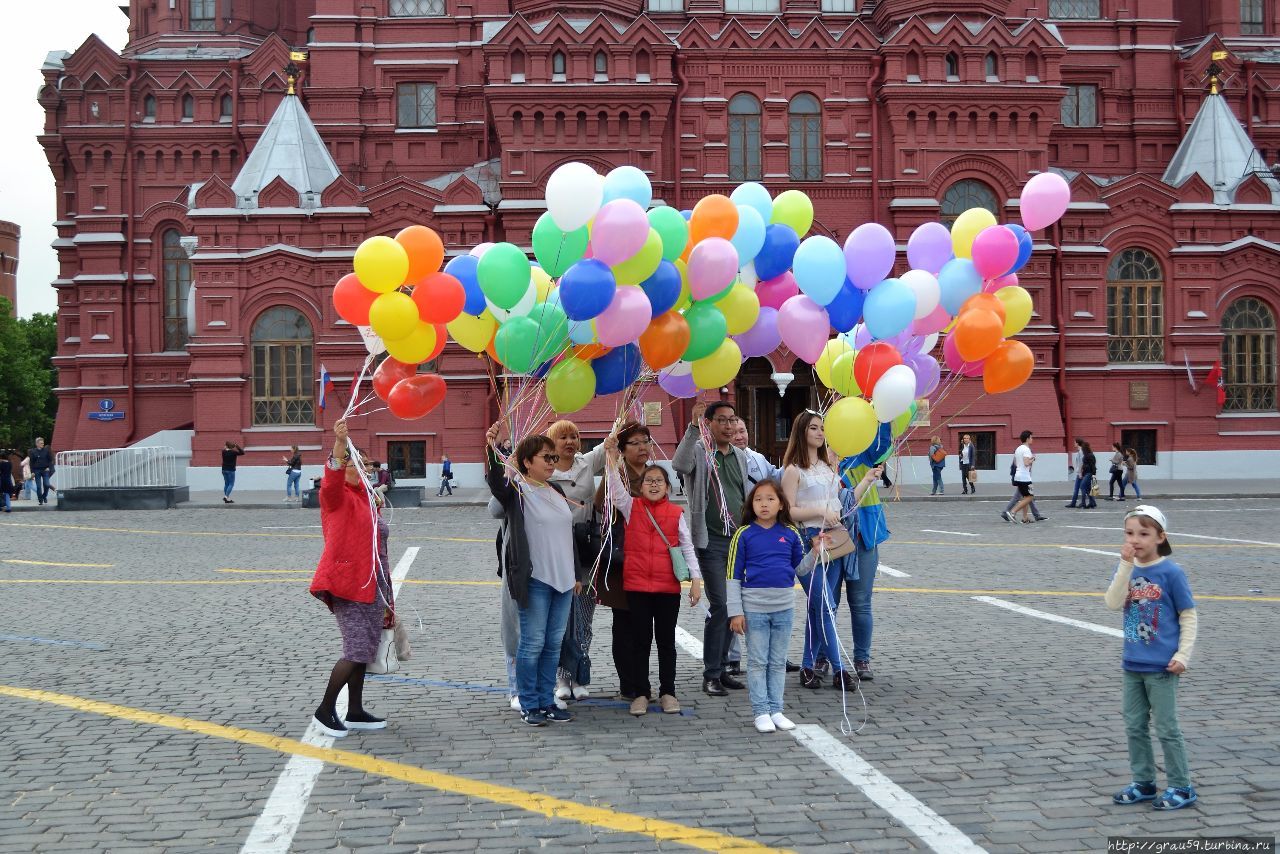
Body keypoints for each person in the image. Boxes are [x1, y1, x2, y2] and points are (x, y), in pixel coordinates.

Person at [486, 422, 585, 727]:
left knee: (553, 644)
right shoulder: (517, 490)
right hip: (535, 580)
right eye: (547, 457)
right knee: (532, 643)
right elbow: (495, 483)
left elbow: (568, 535)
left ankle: (547, 700)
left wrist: (576, 575)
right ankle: (530, 703)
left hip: (564, 580)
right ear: (527, 462)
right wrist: (492, 450)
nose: (553, 463)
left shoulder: (555, 490)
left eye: (554, 458)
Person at [1105, 505, 1198, 811]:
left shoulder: (1171, 572)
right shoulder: (1128, 570)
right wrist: (1124, 566)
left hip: (1162, 667)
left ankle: (1181, 785)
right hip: (1133, 663)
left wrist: (1183, 655)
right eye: (1130, 533)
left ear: (1160, 537)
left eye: (1144, 534)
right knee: (1134, 725)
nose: (1136, 540)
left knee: (1167, 728)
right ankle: (1144, 781)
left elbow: (1188, 615)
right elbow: (1112, 602)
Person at [603, 434, 703, 716]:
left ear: (668, 487)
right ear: (641, 487)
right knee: (640, 641)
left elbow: (687, 548)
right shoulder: (631, 507)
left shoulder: (675, 513)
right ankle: (641, 692)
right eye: (649, 481)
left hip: (667, 588)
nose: (654, 484)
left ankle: (668, 691)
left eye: (659, 481)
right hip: (637, 587)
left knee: (665, 642)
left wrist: (695, 581)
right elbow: (614, 489)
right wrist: (611, 459)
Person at [307, 419, 394, 738]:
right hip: (348, 583)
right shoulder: (337, 495)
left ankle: (355, 710)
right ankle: (324, 710)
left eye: (368, 465)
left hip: (374, 584)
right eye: (359, 464)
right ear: (344, 467)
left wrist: (386, 588)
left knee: (366, 649)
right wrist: (340, 445)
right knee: (356, 648)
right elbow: (330, 476)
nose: (366, 469)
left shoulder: (367, 498)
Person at [727, 480, 822, 733]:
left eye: (770, 499)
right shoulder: (743, 534)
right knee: (758, 661)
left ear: (781, 504)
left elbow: (799, 569)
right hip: (754, 608)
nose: (764, 504)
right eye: (758, 499)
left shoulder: (790, 534)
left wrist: (815, 552)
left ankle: (776, 709)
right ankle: (761, 712)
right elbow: (733, 576)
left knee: (778, 661)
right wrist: (735, 612)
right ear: (751, 504)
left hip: (784, 607)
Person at [673, 399, 749, 697]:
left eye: (733, 420)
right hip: (711, 542)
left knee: (733, 605)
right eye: (722, 420)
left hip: (738, 540)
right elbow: (679, 465)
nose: (729, 426)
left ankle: (723, 666)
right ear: (710, 423)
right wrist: (692, 428)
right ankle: (711, 674)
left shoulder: (740, 456)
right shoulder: (701, 453)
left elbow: (744, 493)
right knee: (719, 605)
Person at [781, 409, 855, 691]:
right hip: (807, 540)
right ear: (802, 432)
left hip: (833, 538)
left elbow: (838, 503)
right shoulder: (792, 470)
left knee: (822, 609)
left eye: (822, 428)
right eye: (814, 428)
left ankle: (808, 666)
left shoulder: (827, 467)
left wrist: (867, 481)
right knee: (823, 604)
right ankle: (839, 670)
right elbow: (788, 511)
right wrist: (818, 509)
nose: (820, 432)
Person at [545, 419, 606, 704]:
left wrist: (627, 411)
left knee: (583, 615)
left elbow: (611, 443)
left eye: (574, 436)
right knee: (558, 616)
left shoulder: (587, 463)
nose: (570, 441)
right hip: (554, 549)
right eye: (563, 437)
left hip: (584, 547)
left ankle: (580, 673)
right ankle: (561, 675)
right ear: (552, 443)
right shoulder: (544, 469)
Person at [728, 416, 780, 674]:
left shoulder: (757, 459)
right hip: (734, 534)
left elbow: (776, 479)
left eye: (742, 430)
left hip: (760, 535)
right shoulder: (719, 459)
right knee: (731, 594)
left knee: (763, 595)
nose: (739, 436)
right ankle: (730, 656)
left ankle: (769, 653)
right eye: (734, 431)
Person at [834, 459, 891, 680]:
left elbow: (882, 440)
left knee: (860, 602)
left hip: (863, 536)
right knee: (827, 603)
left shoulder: (865, 454)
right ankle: (820, 657)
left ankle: (862, 659)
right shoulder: (818, 458)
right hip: (830, 537)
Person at [1001, 431, 1047, 523]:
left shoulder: (1018, 449)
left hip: (1019, 475)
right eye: (1031, 437)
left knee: (1025, 497)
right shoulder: (1026, 449)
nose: (1032, 439)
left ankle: (1025, 518)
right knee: (1030, 497)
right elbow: (1026, 463)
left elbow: (1015, 463)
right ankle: (1013, 512)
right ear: (1027, 438)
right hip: (1025, 477)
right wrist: (1033, 458)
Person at [732, 418, 781, 488]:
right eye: (733, 433)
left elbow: (777, 477)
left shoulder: (758, 458)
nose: (739, 437)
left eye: (742, 431)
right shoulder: (720, 462)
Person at [28, 437, 53, 506]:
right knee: (38, 486)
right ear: (37, 444)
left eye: (43, 443)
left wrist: (48, 467)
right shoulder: (33, 452)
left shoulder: (46, 451)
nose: (43, 444)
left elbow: (50, 460)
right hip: (37, 470)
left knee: (47, 484)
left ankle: (44, 496)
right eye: (41, 443)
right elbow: (31, 463)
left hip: (45, 470)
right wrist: (32, 471)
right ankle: (40, 499)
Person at [1077, 440, 1099, 509]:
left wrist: (1093, 474)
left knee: (1082, 487)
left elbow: (1093, 465)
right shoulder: (1087, 455)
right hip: (1086, 473)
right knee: (1088, 489)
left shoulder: (1090, 455)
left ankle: (1083, 503)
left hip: (1089, 473)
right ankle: (1092, 503)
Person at [1066, 438, 1086, 508]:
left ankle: (1073, 503)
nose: (1074, 444)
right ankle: (1092, 502)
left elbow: (1081, 463)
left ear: (1077, 443)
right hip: (1080, 472)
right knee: (1084, 488)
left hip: (1080, 473)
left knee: (1078, 488)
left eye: (1075, 442)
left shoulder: (1081, 452)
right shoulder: (1080, 451)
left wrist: (1080, 472)